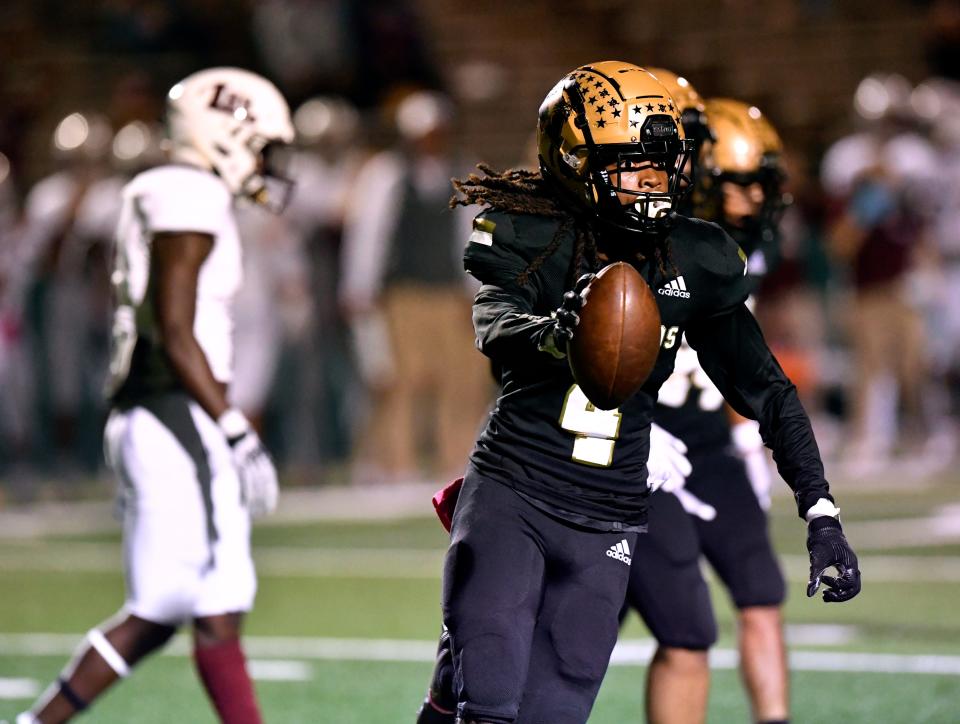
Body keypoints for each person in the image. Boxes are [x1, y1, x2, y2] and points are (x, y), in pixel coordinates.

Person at [432, 61, 860, 724]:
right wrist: (561, 335)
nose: (654, 183)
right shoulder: (537, 234)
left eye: (663, 166)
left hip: (612, 515)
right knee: (484, 704)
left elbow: (768, 390)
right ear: (577, 163)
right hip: (516, 493)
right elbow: (496, 330)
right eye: (635, 166)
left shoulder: (692, 255)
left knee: (554, 713)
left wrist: (821, 509)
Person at [17, 67, 294, 724]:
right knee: (196, 601)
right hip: (175, 409)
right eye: (259, 143)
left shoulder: (175, 188)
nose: (264, 161)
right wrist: (229, 424)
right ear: (225, 133)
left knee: (186, 605)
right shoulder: (186, 192)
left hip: (164, 410)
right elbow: (174, 326)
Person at [624, 92, 795, 724]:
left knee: (760, 589)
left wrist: (748, 437)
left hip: (708, 441)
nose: (755, 199)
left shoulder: (733, 247)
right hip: (641, 443)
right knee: (583, 622)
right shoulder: (646, 238)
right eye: (742, 183)